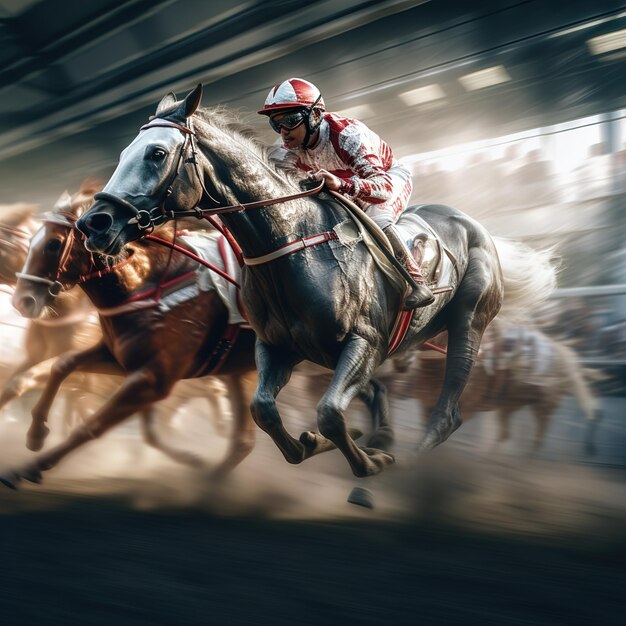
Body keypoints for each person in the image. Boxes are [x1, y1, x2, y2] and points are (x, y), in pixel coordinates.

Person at [258, 77, 434, 309]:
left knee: (377, 219)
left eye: (290, 120)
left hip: (387, 178)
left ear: (315, 116)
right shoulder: (282, 151)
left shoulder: (348, 136)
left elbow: (382, 189)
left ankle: (416, 281)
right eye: (275, 124)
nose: (283, 131)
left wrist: (341, 185)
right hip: (342, 183)